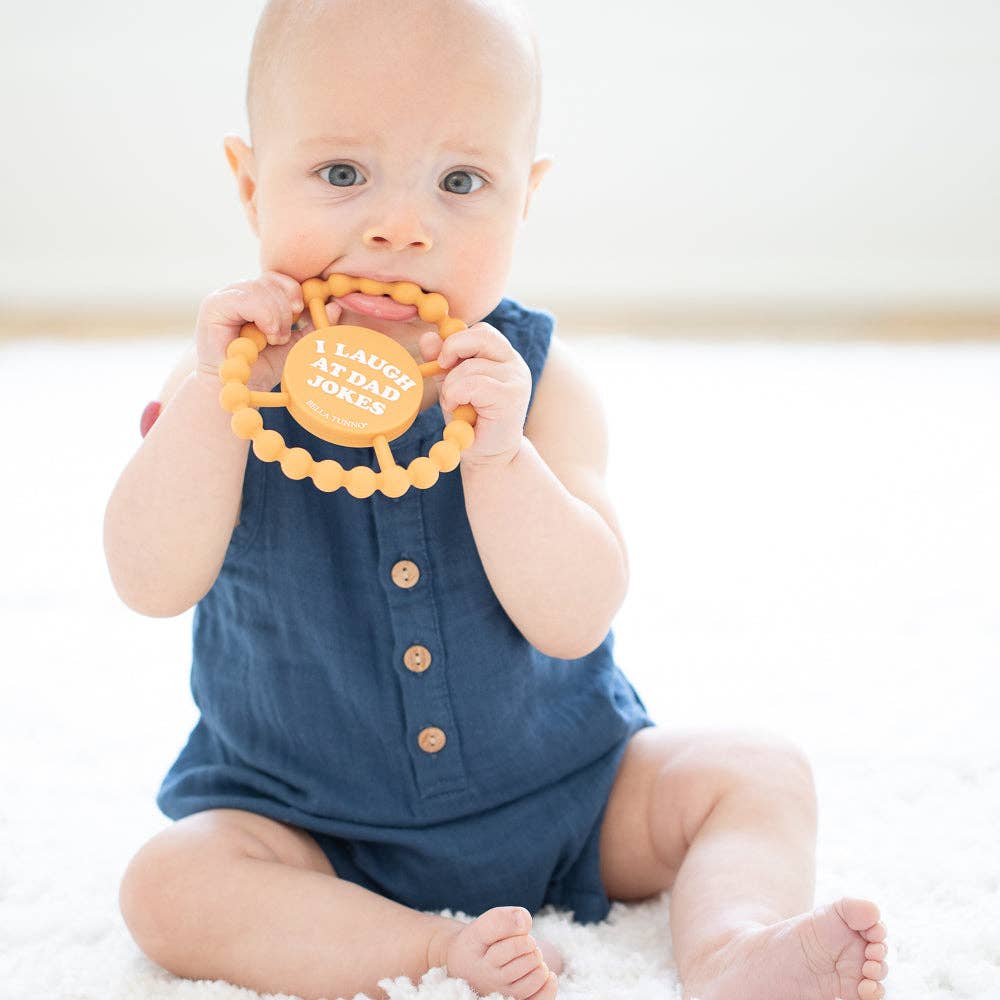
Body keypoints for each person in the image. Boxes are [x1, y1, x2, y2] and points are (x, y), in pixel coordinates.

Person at [103, 2, 890, 999]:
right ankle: (427, 949)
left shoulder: (537, 384)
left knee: (757, 769)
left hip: (564, 794)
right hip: (302, 823)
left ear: (524, 199)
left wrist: (502, 457)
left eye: (460, 181)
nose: (400, 223)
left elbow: (573, 619)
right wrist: (209, 416)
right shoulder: (223, 380)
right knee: (169, 886)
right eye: (341, 174)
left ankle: (735, 944)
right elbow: (147, 579)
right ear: (252, 185)